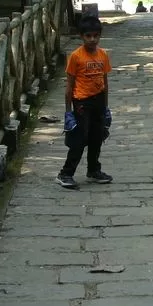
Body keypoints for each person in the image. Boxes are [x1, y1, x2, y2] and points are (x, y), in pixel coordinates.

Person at [57, 16, 113, 189]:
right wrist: (68, 112)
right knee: (79, 139)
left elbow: (105, 82)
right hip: (81, 101)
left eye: (96, 36)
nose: (92, 39)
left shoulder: (103, 55)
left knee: (97, 136)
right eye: (88, 36)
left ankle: (93, 170)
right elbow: (69, 87)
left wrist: (106, 107)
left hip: (98, 100)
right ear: (81, 36)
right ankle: (65, 173)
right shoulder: (75, 57)